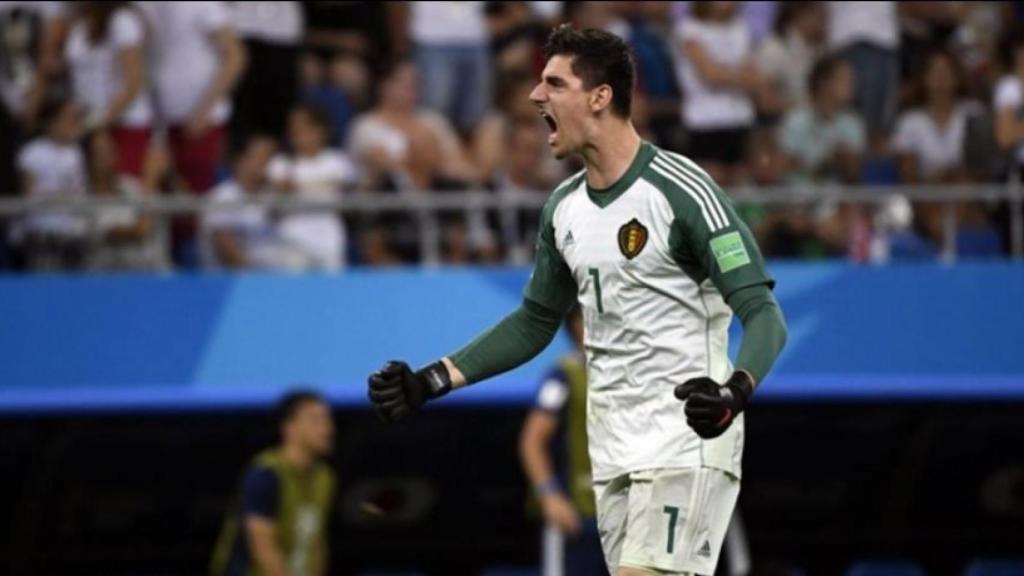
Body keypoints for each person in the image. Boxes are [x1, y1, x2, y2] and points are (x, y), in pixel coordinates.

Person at [368, 26, 787, 576]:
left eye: (554, 83)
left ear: (600, 97)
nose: (535, 96)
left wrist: (735, 391)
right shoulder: (563, 209)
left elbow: (764, 314)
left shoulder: (682, 190)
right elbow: (535, 321)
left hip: (686, 442)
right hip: (611, 454)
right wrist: (431, 380)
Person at [519, 306, 608, 576]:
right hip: (579, 515)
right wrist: (550, 495)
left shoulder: (637, 375)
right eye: (582, 319)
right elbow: (532, 441)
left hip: (629, 516)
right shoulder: (563, 377)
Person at [210, 389, 336, 576]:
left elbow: (317, 543)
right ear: (289, 427)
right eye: (315, 420)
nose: (327, 428)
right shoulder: (265, 474)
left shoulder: (326, 478)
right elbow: (262, 548)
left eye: (327, 420)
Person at [673, 1, 761, 186]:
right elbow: (709, 74)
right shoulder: (689, 29)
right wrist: (736, 76)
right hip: (705, 119)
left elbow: (753, 76)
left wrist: (723, 73)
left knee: (739, 181)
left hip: (740, 116)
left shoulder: (740, 28)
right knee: (711, 183)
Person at [64, 1, 152, 177]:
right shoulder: (80, 23)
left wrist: (101, 123)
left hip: (124, 122)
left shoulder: (122, 21)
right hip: (87, 121)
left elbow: (134, 81)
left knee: (124, 190)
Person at [267, 104, 357, 271]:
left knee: (331, 290)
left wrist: (301, 188)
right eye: (294, 127)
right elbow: (273, 206)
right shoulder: (280, 164)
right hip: (292, 239)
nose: (298, 132)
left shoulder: (337, 161)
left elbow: (348, 189)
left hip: (329, 239)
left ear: (321, 131)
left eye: (304, 126)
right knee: (293, 291)